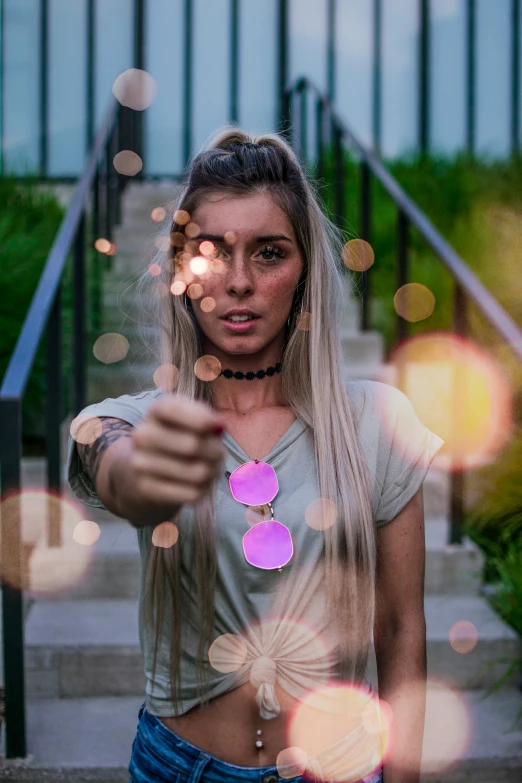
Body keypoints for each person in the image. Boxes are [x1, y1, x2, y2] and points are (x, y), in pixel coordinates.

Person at [67, 128, 444, 783]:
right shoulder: (148, 421)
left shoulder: (378, 421)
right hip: (176, 767)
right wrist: (136, 473)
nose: (238, 281)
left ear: (303, 272)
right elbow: (106, 451)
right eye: (212, 251)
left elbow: (402, 627)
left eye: (269, 253)